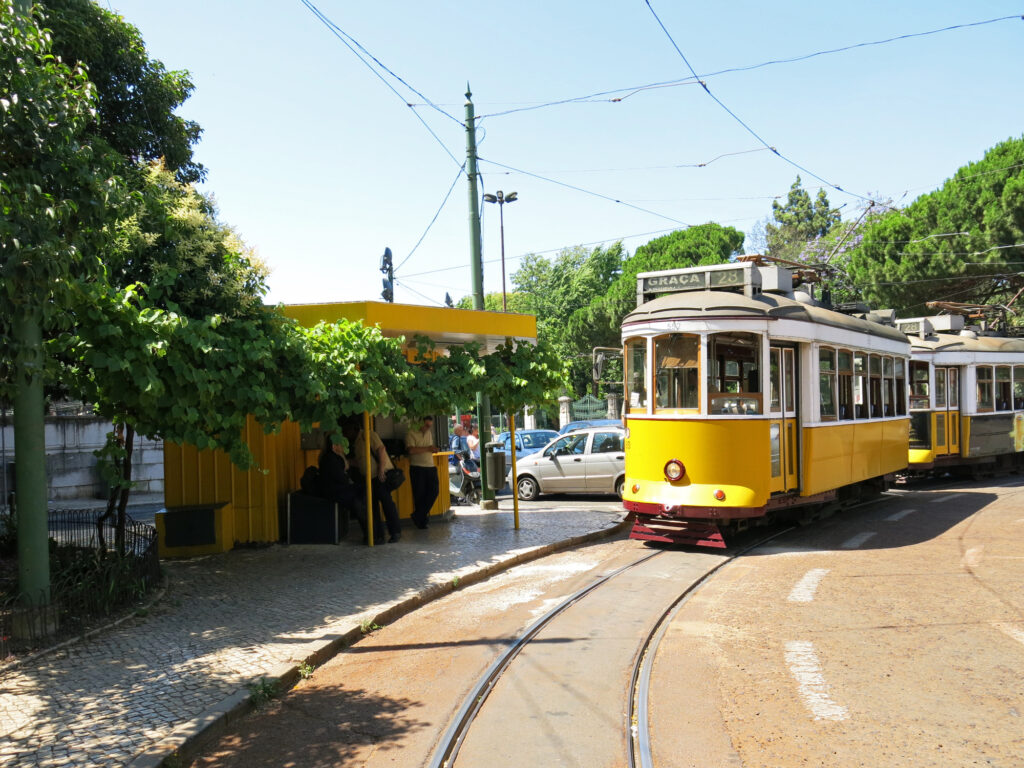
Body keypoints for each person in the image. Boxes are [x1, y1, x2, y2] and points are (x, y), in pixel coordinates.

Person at [345, 417, 402, 544]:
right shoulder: (356, 442)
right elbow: (361, 461)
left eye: (347, 431)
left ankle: (395, 532)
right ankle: (377, 535)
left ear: (353, 429)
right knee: (373, 506)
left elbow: (381, 449)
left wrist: (381, 469)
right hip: (369, 478)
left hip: (380, 475)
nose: (346, 434)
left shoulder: (368, 434)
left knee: (386, 502)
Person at [318, 433, 370, 539]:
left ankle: (368, 530)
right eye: (341, 445)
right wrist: (345, 466)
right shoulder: (332, 459)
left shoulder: (329, 457)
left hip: (335, 489)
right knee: (360, 496)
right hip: (334, 492)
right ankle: (368, 531)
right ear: (334, 446)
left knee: (361, 494)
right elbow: (342, 479)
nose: (343, 447)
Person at [405, 415, 439, 529]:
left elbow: (427, 448)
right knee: (419, 496)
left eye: (430, 426)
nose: (428, 428)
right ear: (420, 423)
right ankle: (422, 522)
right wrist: (429, 449)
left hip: (430, 466)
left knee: (434, 491)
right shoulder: (411, 433)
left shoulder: (428, 433)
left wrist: (433, 449)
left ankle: (417, 515)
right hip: (417, 468)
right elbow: (411, 450)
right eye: (426, 425)